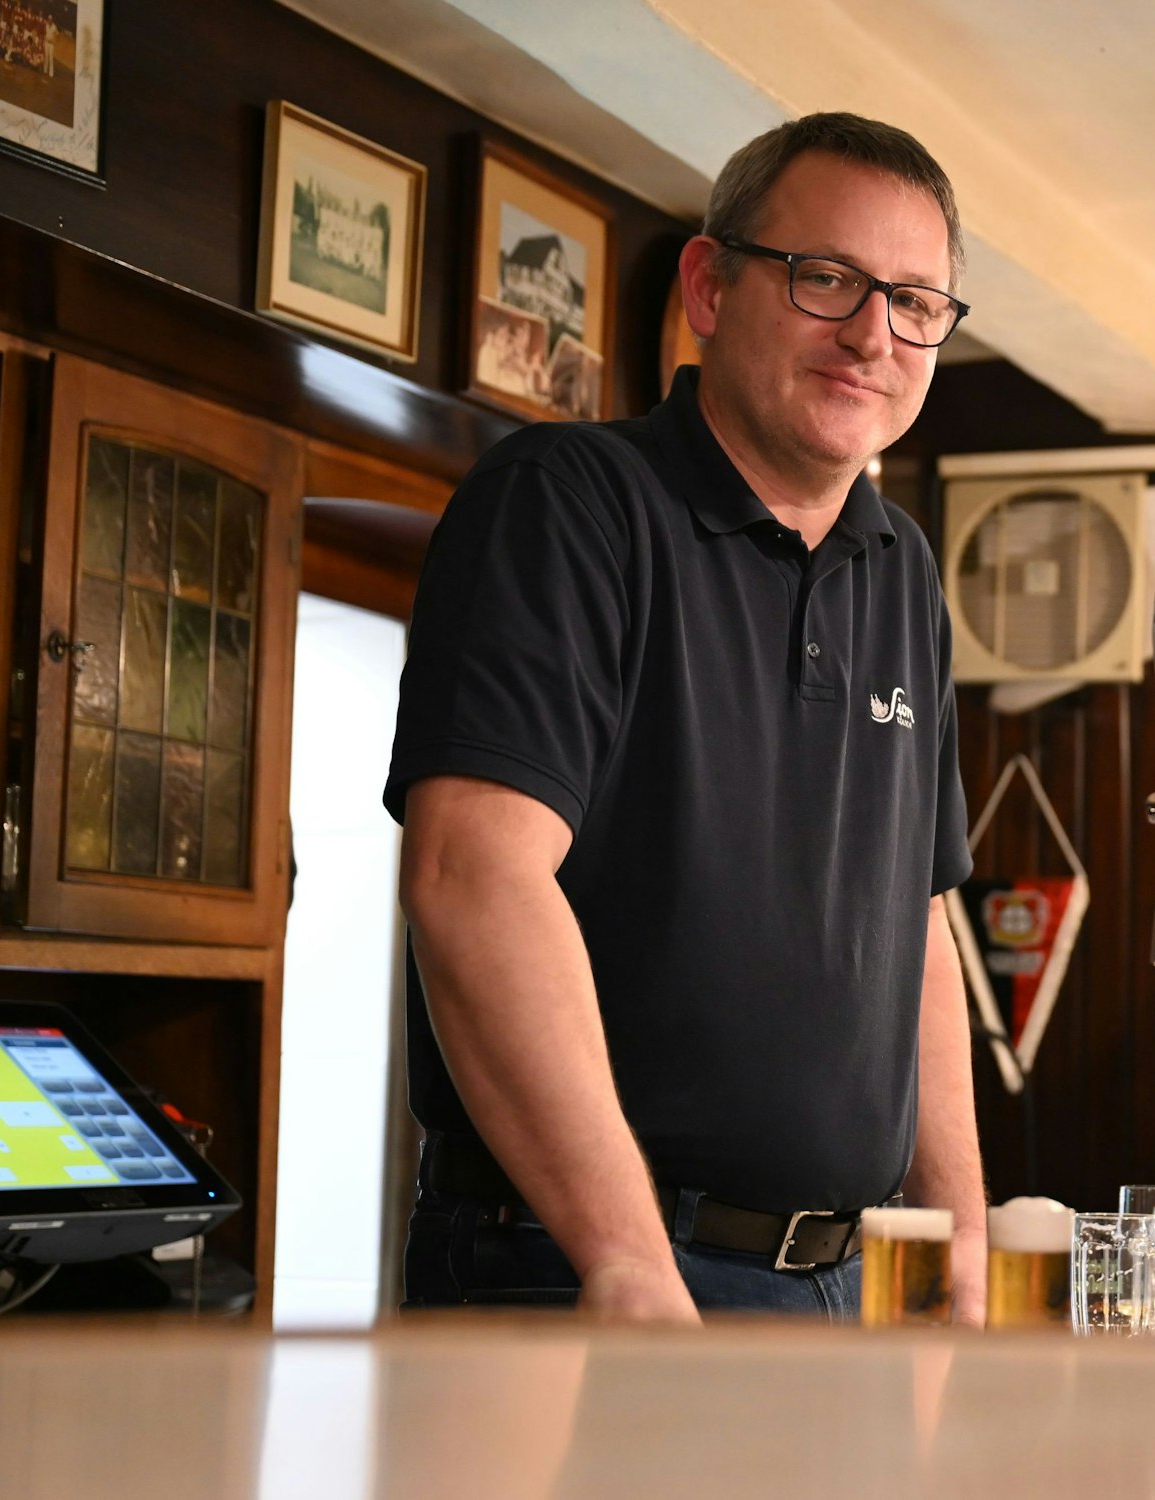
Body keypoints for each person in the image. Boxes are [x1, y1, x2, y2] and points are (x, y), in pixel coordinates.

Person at [383, 112, 985, 1325]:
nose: (874, 333)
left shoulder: (901, 568)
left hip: (842, 1285)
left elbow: (914, 928)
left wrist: (958, 1243)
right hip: (583, 1267)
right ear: (709, 286)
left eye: (915, 302)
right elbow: (471, 874)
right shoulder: (567, 502)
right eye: (827, 280)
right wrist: (625, 1260)